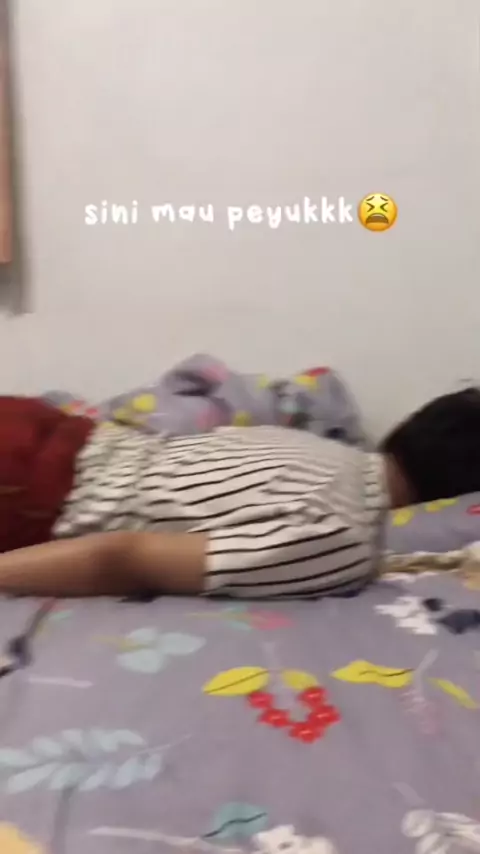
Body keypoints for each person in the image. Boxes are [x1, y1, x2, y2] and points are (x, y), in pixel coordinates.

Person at [0, 388, 479, 599]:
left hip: (47, 427)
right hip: (32, 489)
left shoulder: (324, 450)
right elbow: (126, 557)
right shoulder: (340, 538)